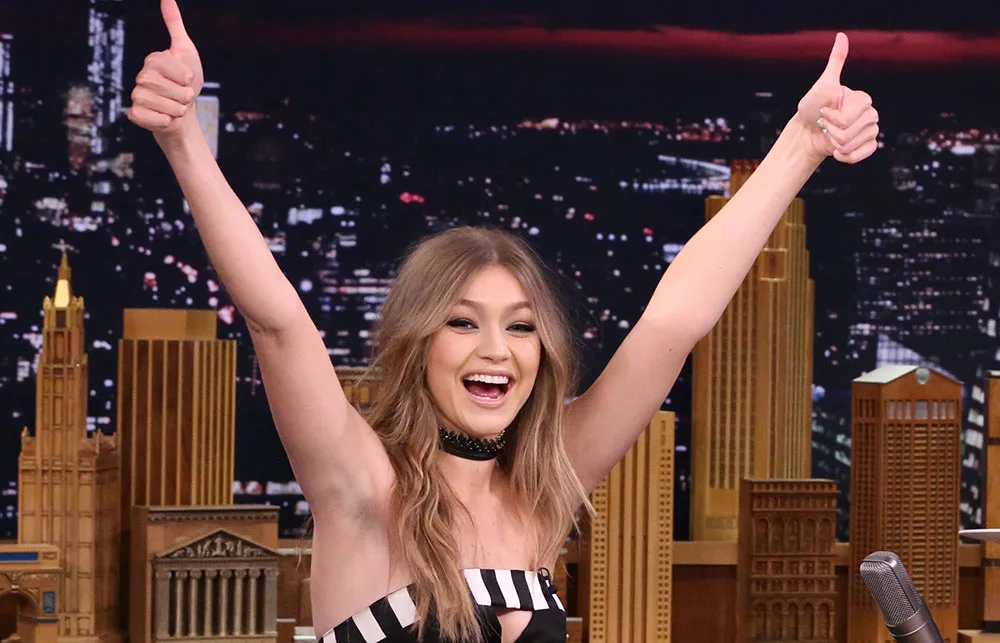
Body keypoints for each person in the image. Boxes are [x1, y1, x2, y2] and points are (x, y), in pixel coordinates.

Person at [128, 1, 880, 641]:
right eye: (463, 322)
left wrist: (800, 147)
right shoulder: (360, 487)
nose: (498, 351)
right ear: (417, 344)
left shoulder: (545, 490)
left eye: (521, 326)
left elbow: (672, 324)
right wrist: (184, 139)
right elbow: (279, 323)